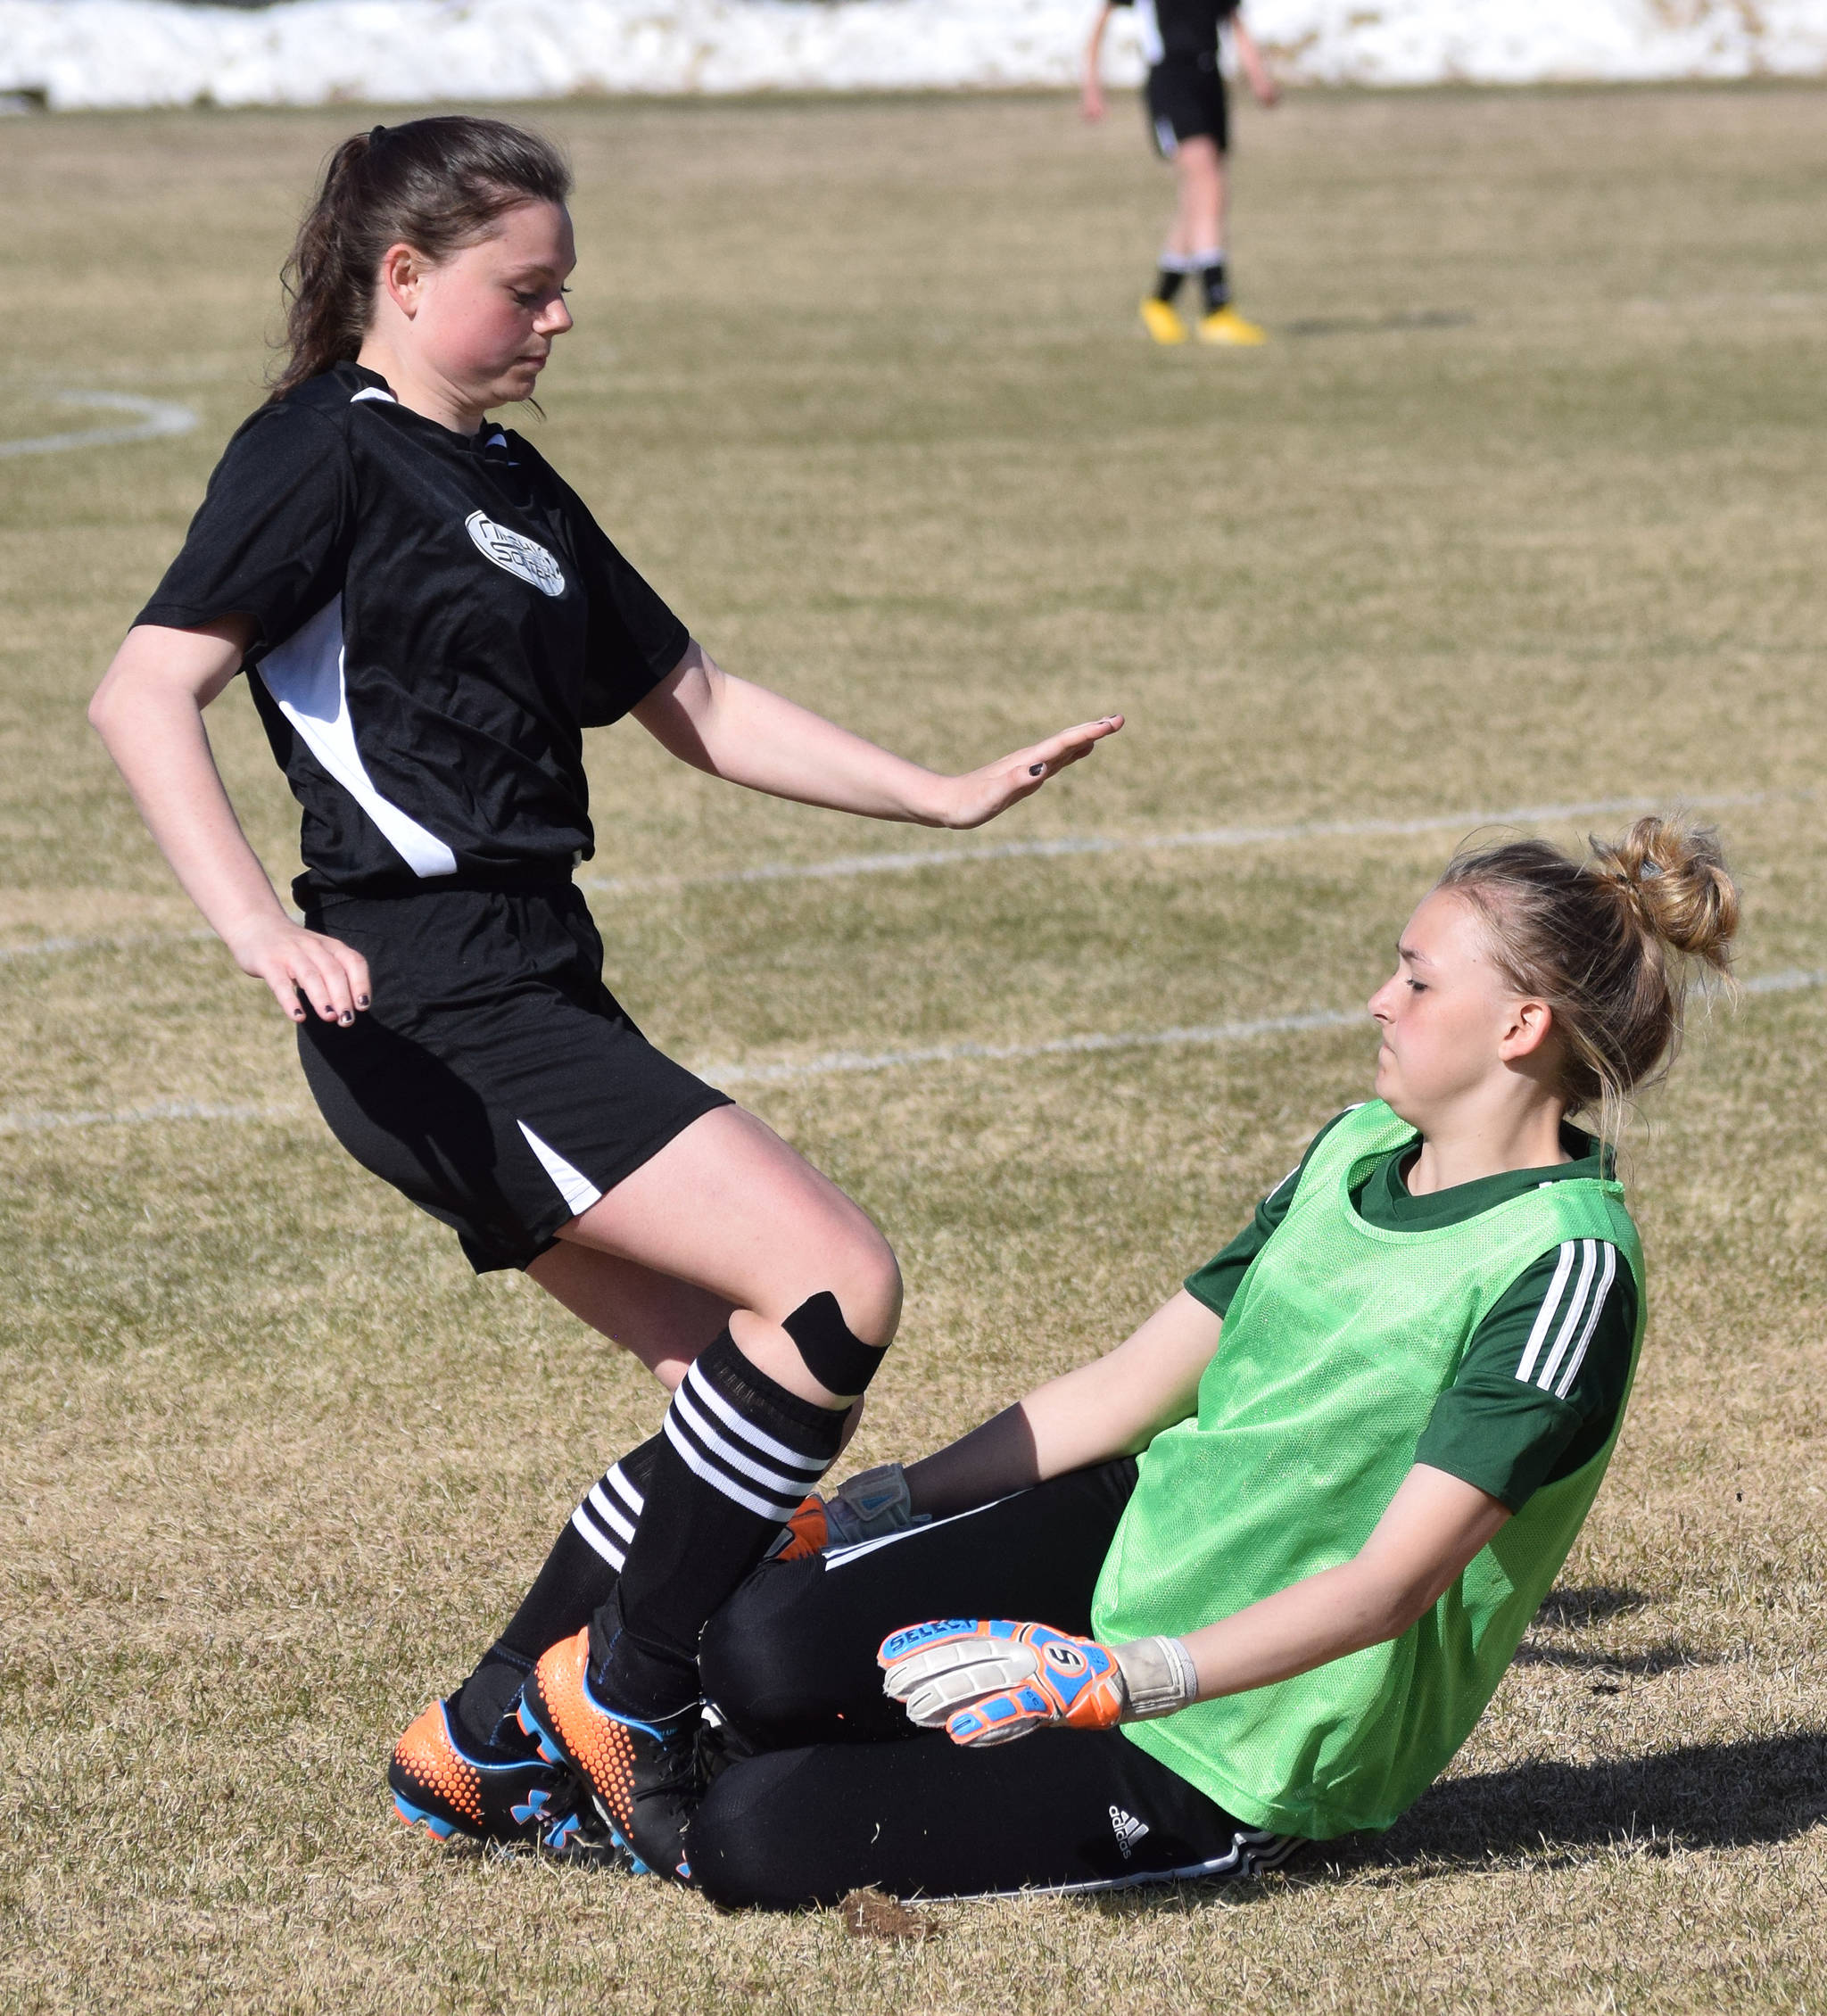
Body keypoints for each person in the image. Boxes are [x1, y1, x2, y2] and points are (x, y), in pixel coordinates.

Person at [85, 114, 1123, 1882]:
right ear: (402, 280)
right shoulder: (322, 452)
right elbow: (141, 688)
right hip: (430, 994)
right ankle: (625, 1699)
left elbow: (693, 701)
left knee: (742, 1405)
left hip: (523, 979)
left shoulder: (509, 483)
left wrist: (940, 790)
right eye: (525, 289)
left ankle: (484, 1738)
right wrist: (260, 923)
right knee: (833, 1282)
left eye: (564, 290)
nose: (557, 320)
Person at [679, 816, 1737, 1904]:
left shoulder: (1561, 1267)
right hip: (1135, 1551)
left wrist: (1122, 1679)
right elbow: (1134, 1385)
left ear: (1521, 1025)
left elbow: (1388, 1587)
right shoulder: (1353, 1148)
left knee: (749, 1836)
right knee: (756, 1646)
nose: (1379, 998)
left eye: (1416, 982)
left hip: (1230, 1734)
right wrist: (884, 1503)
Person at [1082, 0, 1281, 346]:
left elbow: (1235, 23)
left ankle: (1160, 302)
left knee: (1200, 197)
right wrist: (1092, 87)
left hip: (1210, 82)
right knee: (1207, 182)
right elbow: (1101, 20)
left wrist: (1258, 77)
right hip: (1171, 81)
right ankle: (1217, 310)